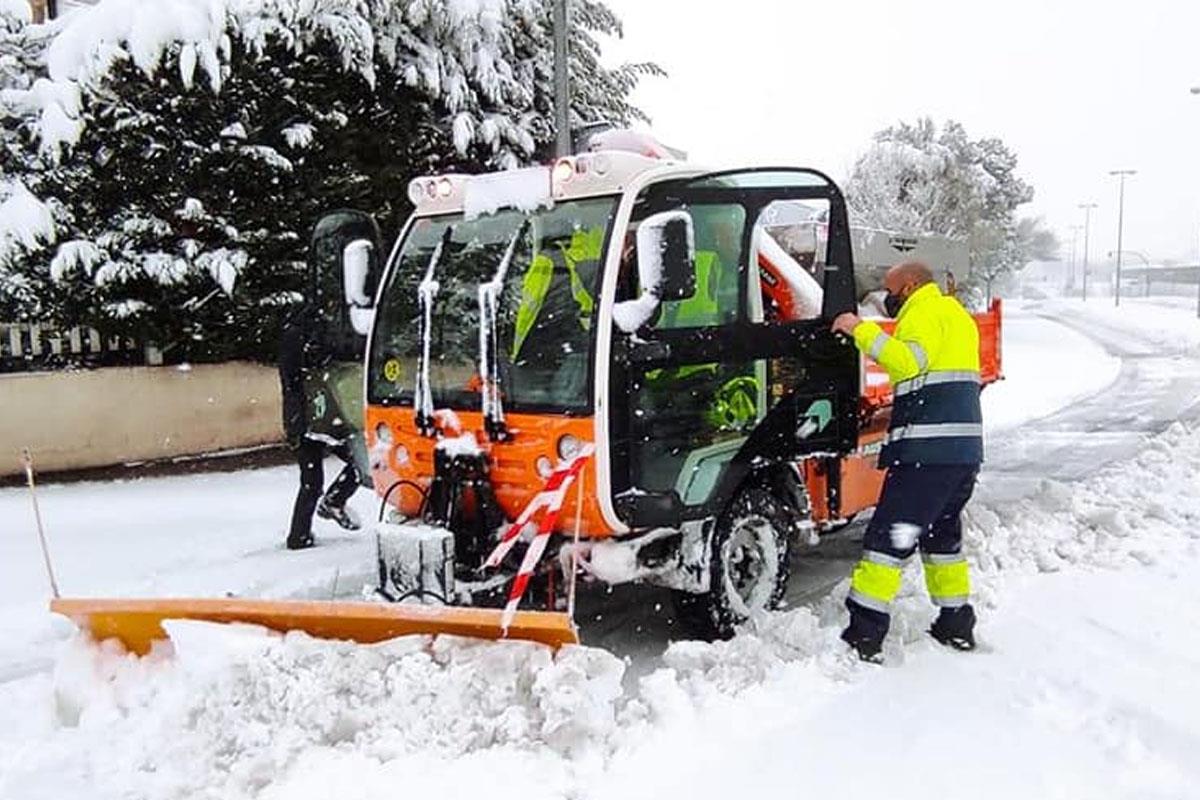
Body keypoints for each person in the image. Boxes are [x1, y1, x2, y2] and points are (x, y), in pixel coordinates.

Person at [831, 261, 983, 661]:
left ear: (910, 285)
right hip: (961, 455)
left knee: (888, 541)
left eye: (890, 290)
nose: (886, 299)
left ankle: (863, 636)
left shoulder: (922, 313)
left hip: (926, 455)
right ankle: (956, 622)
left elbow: (907, 363)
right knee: (942, 540)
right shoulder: (956, 315)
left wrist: (857, 329)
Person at [279, 303, 363, 550]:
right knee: (360, 462)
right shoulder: (309, 337)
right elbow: (328, 357)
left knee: (311, 481)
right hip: (323, 419)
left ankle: (299, 535)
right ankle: (334, 501)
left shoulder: (289, 339)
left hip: (302, 421)